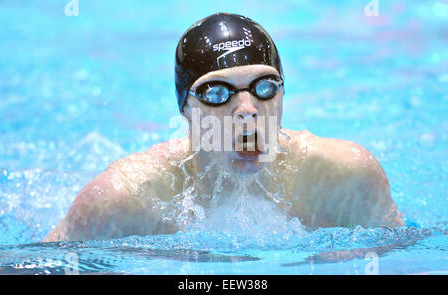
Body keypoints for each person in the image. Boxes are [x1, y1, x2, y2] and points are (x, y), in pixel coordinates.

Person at [44, 13, 403, 242]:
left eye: (265, 87)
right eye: (217, 93)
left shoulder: (346, 178)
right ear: (185, 109)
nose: (247, 110)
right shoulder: (124, 200)